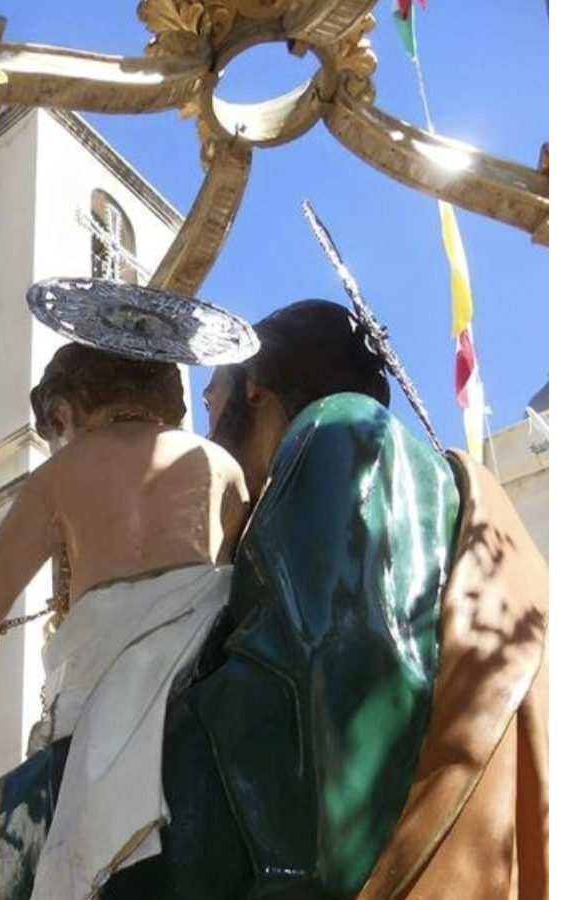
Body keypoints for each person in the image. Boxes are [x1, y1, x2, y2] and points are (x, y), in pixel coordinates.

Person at [131, 298, 546, 900]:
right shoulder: (338, 457)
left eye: (212, 393)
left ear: (254, 387)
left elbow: (351, 662)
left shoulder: (337, 431)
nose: (205, 413)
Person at [0, 341, 250, 900]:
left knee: (13, 811)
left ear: (62, 415)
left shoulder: (64, 469)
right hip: (207, 653)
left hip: (106, 672)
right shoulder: (218, 462)